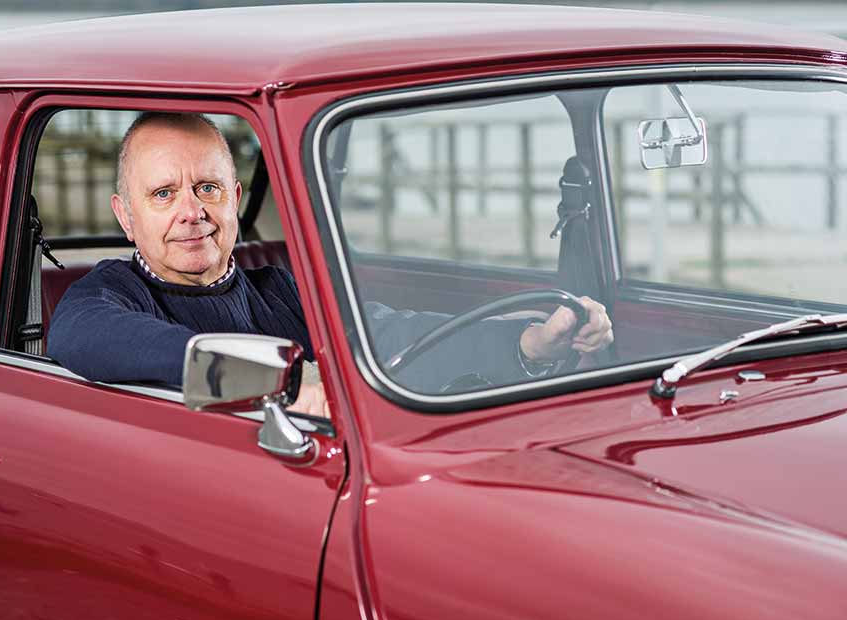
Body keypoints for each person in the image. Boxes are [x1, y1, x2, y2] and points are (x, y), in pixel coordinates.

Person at [47, 112, 612, 416]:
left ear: (235, 199)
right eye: (163, 194)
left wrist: (526, 344)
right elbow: (83, 337)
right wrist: (283, 378)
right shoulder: (110, 295)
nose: (191, 212)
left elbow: (387, 336)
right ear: (126, 216)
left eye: (207, 188)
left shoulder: (280, 288)